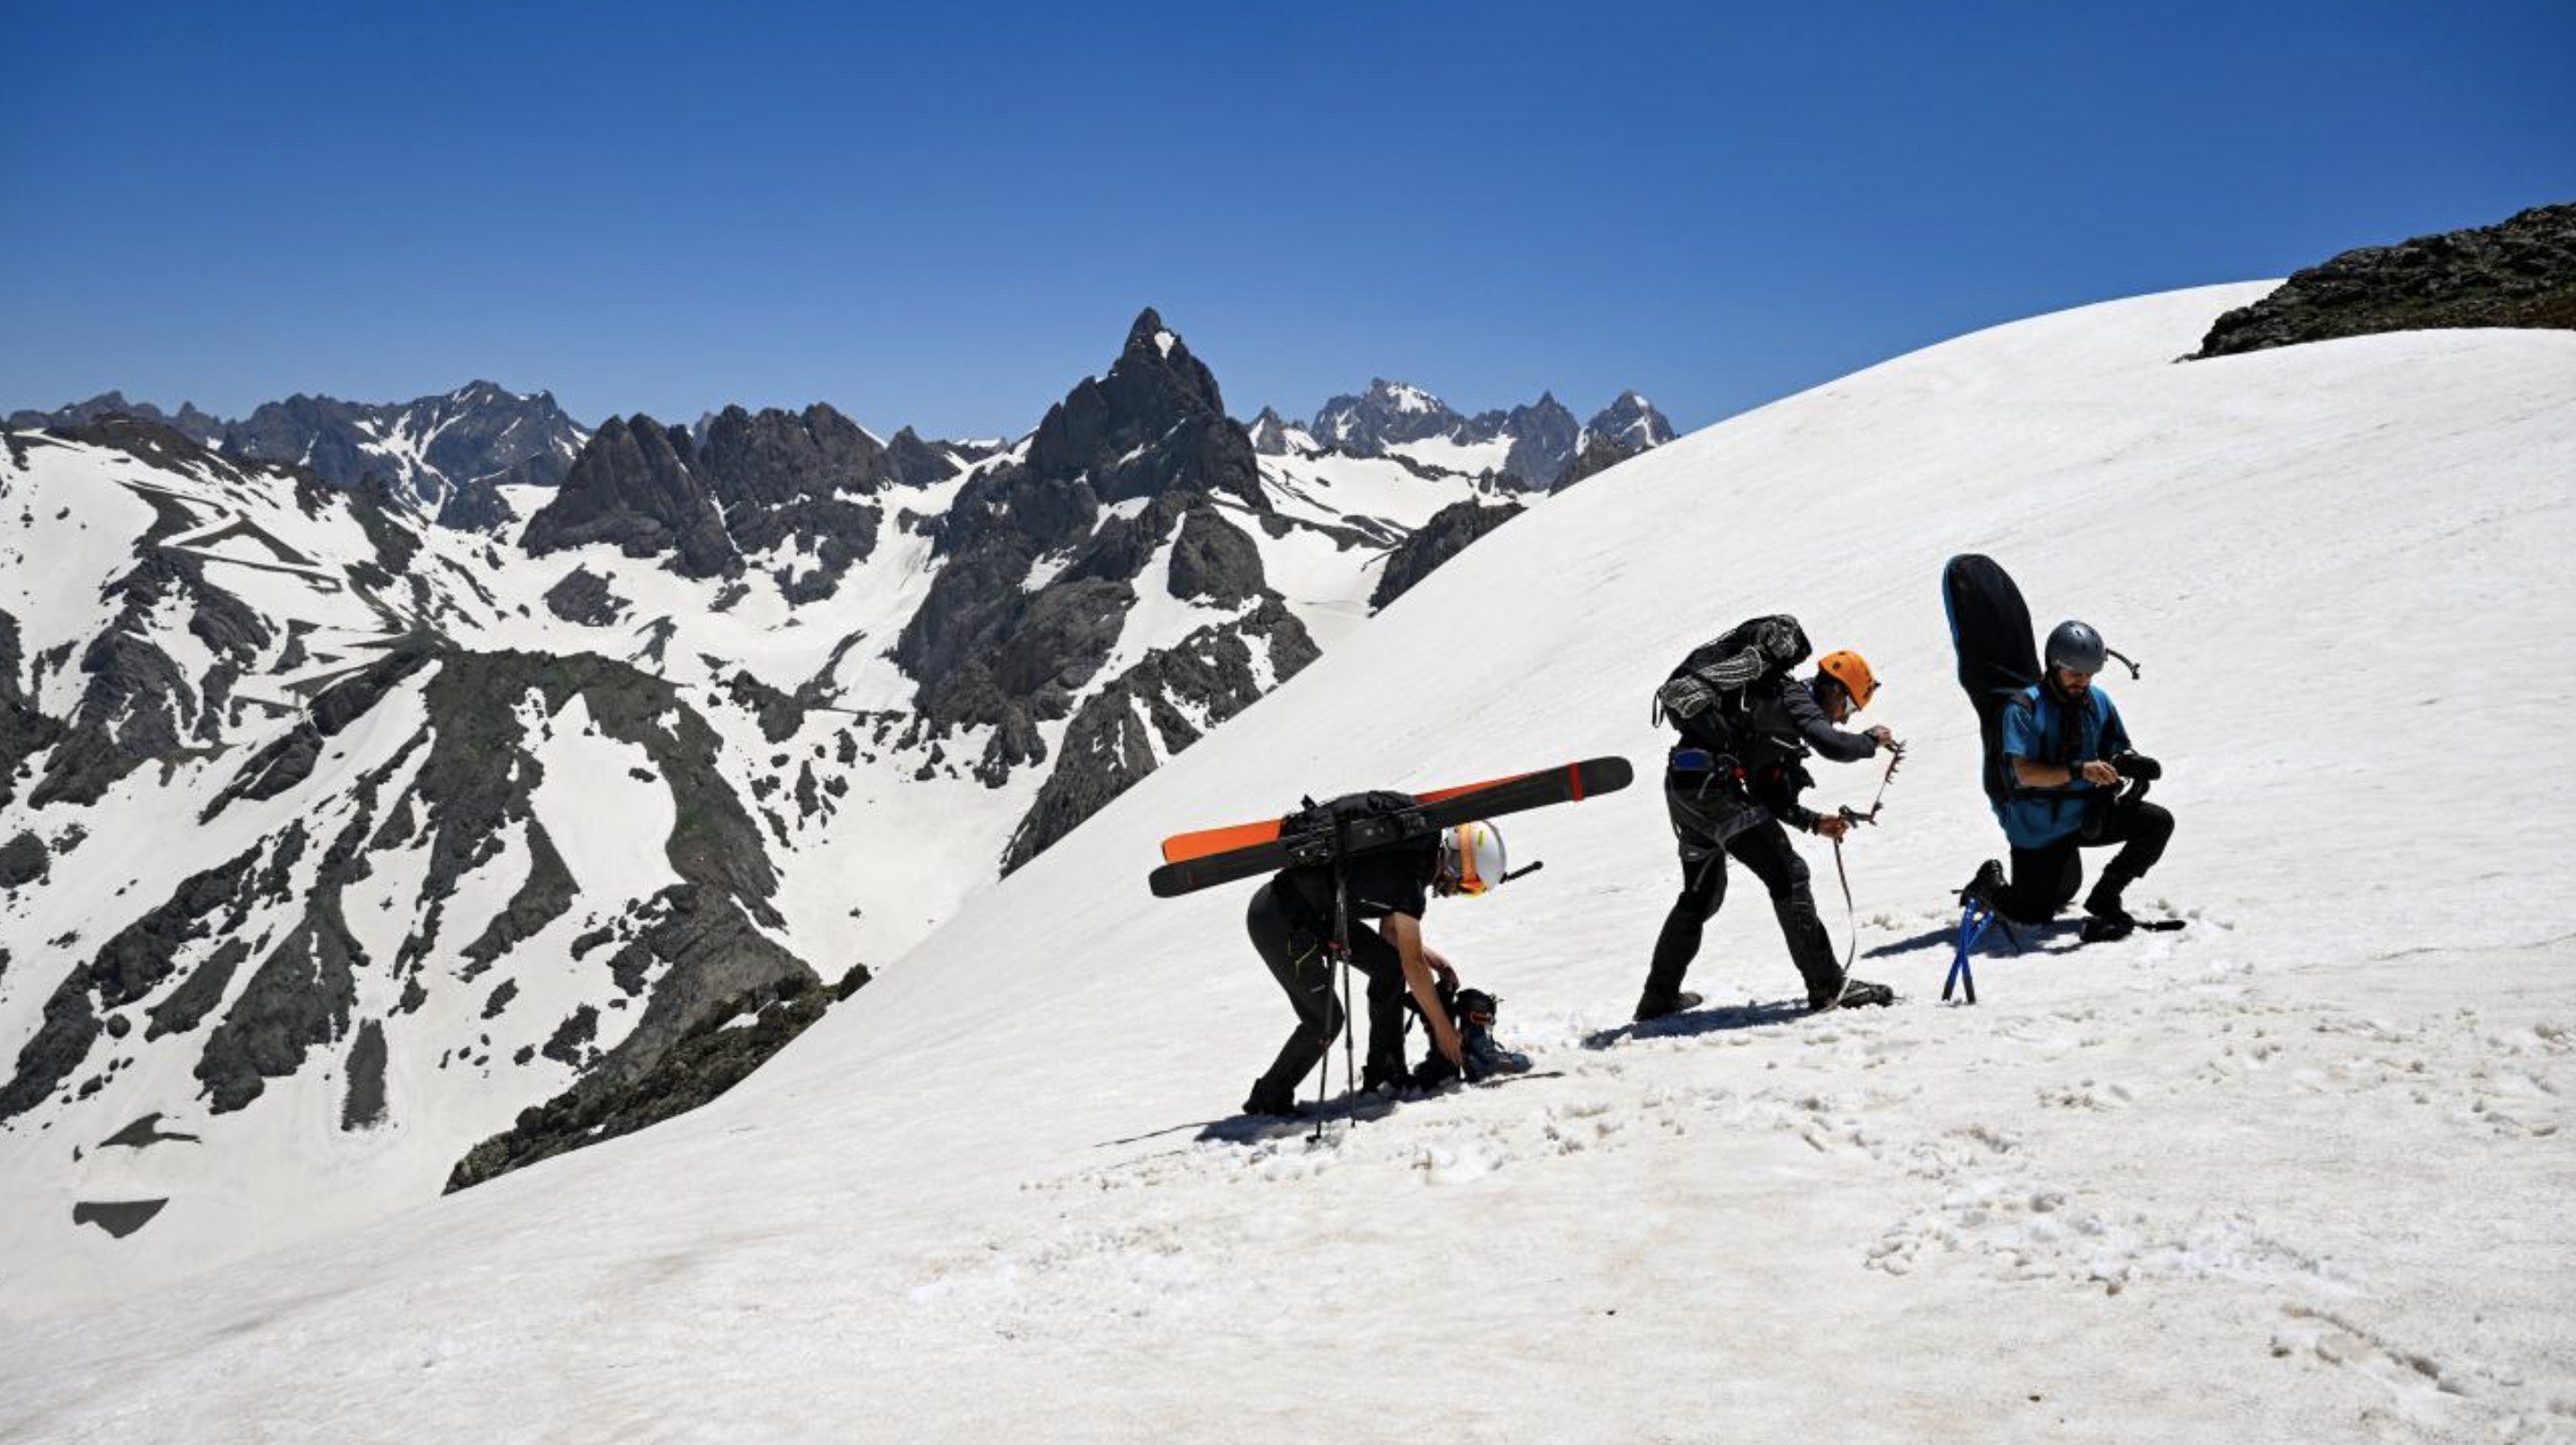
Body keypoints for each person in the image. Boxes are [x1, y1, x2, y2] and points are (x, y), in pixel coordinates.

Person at [1637, 616, 1900, 1021]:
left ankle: (1658, 998)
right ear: (1832, 687)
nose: (1845, 717)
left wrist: (1813, 821)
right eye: (1847, 705)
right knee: (1789, 874)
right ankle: (1828, 987)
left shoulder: (1772, 713)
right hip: (1714, 793)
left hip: (1687, 791)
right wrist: (1869, 741)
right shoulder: (1795, 698)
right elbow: (1832, 744)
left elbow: (1766, 795)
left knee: (1701, 894)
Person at [1241, 810, 1509, 1117]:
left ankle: (1385, 1072)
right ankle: (1267, 1100)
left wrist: (1438, 963)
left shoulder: (1413, 853)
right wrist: (1443, 1026)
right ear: (1458, 863)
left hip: (1321, 916)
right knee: (1324, 1020)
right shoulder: (1410, 874)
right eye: (1469, 884)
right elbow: (1412, 962)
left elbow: (1392, 934)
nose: (1459, 891)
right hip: (1280, 918)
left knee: (1388, 967)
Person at [1959, 619, 2175, 941]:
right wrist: (2079, 770)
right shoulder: (2023, 708)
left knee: (2157, 822)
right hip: (2038, 827)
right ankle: (1988, 884)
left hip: (2088, 814)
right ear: (2054, 666)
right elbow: (2024, 772)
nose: (2083, 682)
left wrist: (2131, 765)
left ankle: (2105, 896)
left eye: (2089, 674)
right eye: (2075, 673)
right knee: (2032, 915)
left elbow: (2116, 746)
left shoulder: (2098, 699)